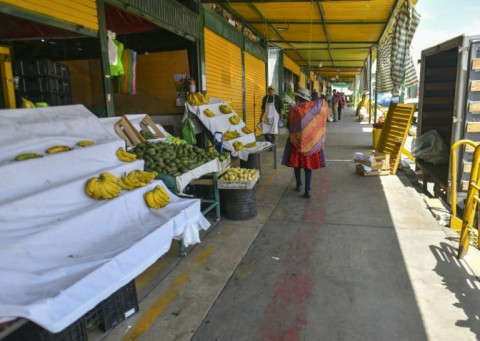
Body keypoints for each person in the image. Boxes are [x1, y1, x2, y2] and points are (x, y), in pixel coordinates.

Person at [282, 87, 327, 199]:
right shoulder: (315, 109)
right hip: (311, 142)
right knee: (308, 167)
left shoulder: (294, 109)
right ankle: (308, 190)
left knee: (296, 165)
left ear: (298, 97)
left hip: (296, 142)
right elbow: (321, 123)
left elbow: (289, 125)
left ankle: (299, 185)